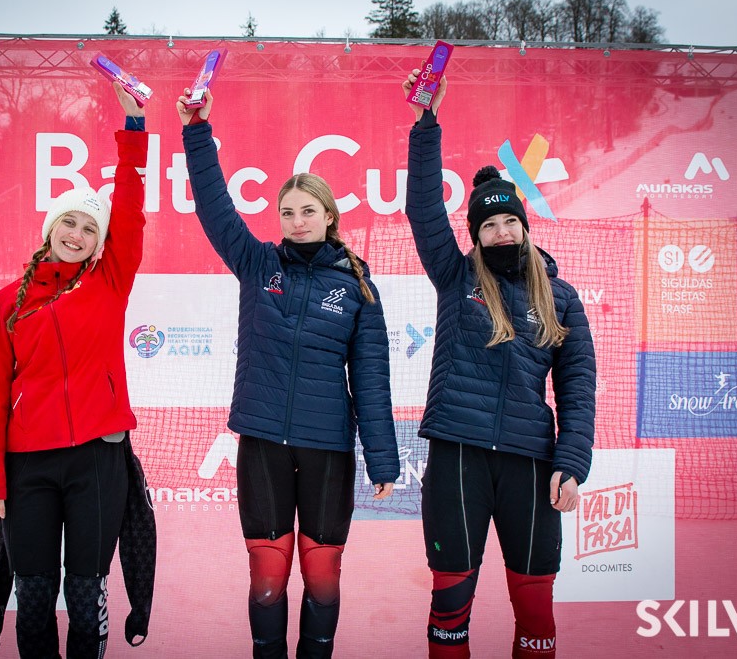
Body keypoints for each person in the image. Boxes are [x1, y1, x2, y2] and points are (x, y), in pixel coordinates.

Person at [176, 89, 400, 659]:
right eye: (288, 213)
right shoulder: (259, 265)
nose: (298, 222)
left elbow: (371, 380)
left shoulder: (358, 286)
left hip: (327, 449)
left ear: (329, 216)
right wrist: (197, 131)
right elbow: (214, 208)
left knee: (322, 572)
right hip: (262, 444)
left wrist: (382, 458)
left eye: (308, 212)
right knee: (268, 572)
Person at [401, 70, 596, 658]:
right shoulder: (456, 275)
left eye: (510, 221)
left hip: (530, 465)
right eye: (489, 225)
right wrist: (426, 123)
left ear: (526, 226)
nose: (502, 231)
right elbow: (423, 210)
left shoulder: (561, 298)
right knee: (451, 606)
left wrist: (571, 463)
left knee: (535, 610)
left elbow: (578, 389)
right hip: (457, 456)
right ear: (477, 235)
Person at [0, 82, 153, 658]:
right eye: (68, 223)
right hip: (27, 465)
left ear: (100, 241)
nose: (77, 235)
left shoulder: (109, 282)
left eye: (89, 228)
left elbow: (129, 209)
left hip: (98, 460)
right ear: (50, 227)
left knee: (84, 591)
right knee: (33, 594)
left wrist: (133, 130)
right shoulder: (6, 303)